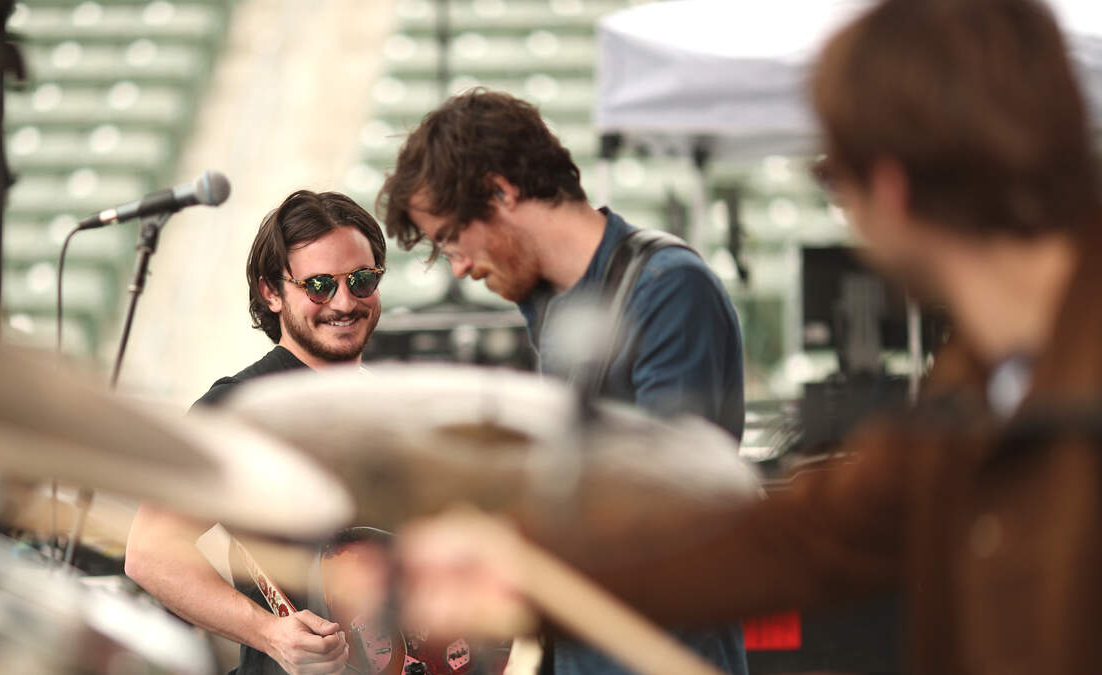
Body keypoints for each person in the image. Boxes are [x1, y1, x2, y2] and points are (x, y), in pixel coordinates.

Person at [394, 0, 1102, 673]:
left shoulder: (666, 284)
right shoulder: (980, 377)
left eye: (834, 179)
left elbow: (701, 509)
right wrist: (522, 570)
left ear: (890, 184)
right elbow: (806, 536)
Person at [378, 90, 747, 674]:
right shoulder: (551, 304)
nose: (459, 268)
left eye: (451, 238)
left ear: (501, 193)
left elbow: (673, 503)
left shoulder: (668, 287)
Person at [125, 189, 387, 675]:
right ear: (271, 293)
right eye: (319, 285)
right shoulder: (238, 407)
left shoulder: (399, 407)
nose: (345, 301)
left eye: (362, 279)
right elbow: (150, 553)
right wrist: (269, 633)